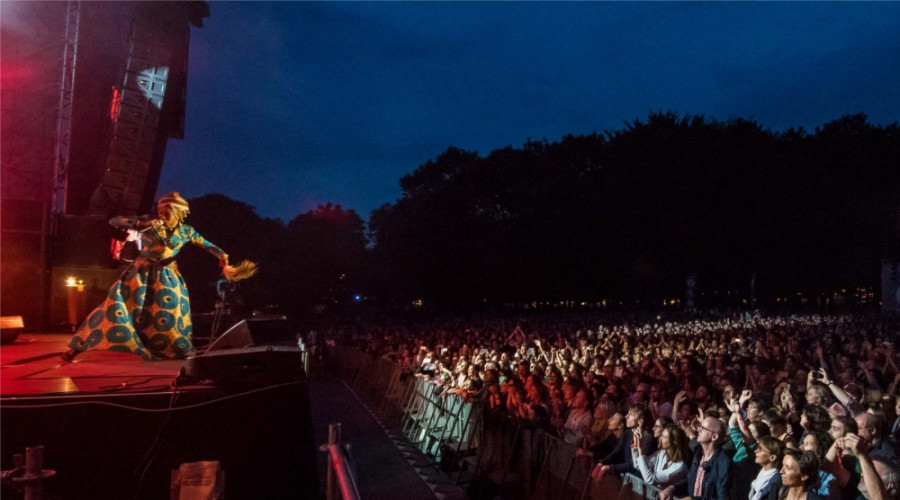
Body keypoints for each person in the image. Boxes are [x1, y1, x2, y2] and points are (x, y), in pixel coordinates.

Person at [62, 192, 241, 360]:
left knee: (170, 311)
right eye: (160, 211)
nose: (162, 215)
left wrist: (222, 256)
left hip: (167, 276)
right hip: (139, 274)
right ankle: (78, 346)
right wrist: (142, 224)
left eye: (167, 212)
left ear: (178, 212)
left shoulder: (186, 231)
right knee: (115, 306)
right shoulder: (149, 222)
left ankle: (173, 349)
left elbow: (207, 244)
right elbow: (114, 221)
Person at [634, 424, 691, 498]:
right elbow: (639, 466)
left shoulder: (679, 466)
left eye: (664, 437)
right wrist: (635, 447)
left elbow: (650, 480)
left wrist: (640, 450)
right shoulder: (662, 453)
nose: (660, 438)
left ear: (674, 441)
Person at [684, 416, 733, 500]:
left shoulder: (724, 463)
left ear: (714, 436)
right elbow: (691, 481)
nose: (698, 430)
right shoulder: (698, 455)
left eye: (703, 428)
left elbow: (722, 495)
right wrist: (672, 487)